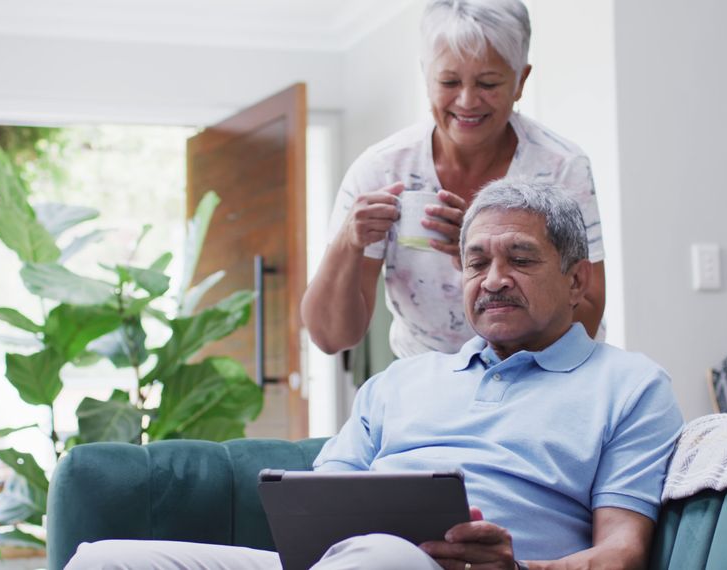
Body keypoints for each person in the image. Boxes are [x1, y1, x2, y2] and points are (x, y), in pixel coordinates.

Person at [65, 179, 683, 570]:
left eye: (520, 259)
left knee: (383, 558)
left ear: (577, 281)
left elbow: (622, 554)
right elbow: (320, 502)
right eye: (476, 263)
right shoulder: (399, 382)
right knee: (106, 560)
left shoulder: (629, 385)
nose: (494, 279)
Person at [301, 0, 607, 359]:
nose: (467, 101)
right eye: (448, 81)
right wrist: (347, 244)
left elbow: (587, 315)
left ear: (520, 80)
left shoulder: (560, 166)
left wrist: (479, 254)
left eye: (488, 83)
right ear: (426, 77)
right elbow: (330, 338)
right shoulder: (382, 170)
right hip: (429, 383)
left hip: (544, 375)